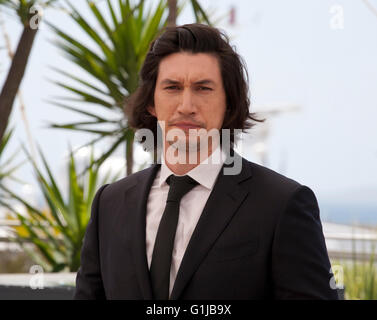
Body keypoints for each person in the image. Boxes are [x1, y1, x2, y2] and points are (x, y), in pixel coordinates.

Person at [74, 23, 339, 300]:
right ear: (151, 103)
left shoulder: (282, 204)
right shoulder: (110, 204)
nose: (186, 105)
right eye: (172, 87)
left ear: (229, 103)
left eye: (203, 88)